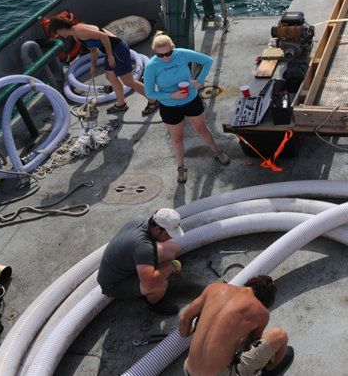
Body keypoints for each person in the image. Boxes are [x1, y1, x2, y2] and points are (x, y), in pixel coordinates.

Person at [143, 34, 230, 183]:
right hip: (170, 107)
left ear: (173, 48)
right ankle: (181, 167)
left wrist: (199, 81)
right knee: (177, 138)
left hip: (191, 101)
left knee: (202, 129)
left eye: (168, 53)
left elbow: (208, 60)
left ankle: (217, 152)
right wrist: (172, 95)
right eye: (160, 55)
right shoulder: (151, 66)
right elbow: (149, 92)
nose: (165, 57)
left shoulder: (182, 54)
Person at [180, 278, 294, 376]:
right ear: (265, 302)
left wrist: (193, 331)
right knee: (280, 335)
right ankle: (270, 370)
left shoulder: (214, 288)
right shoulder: (261, 312)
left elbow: (184, 319)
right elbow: (247, 346)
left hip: (188, 370)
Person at [47, 16, 159, 115]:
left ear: (60, 30)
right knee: (110, 76)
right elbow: (93, 50)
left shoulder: (79, 30)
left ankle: (153, 101)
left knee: (129, 81)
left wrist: (110, 56)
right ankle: (121, 104)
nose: (58, 35)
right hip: (111, 51)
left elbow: (103, 37)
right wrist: (92, 65)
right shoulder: (76, 35)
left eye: (57, 32)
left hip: (117, 50)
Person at [97, 208, 184, 315]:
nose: (171, 237)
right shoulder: (143, 247)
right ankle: (154, 303)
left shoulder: (142, 220)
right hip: (114, 284)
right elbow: (149, 283)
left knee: (174, 249)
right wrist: (172, 265)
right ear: (157, 229)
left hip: (128, 264)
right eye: (170, 234)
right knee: (159, 285)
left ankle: (147, 272)